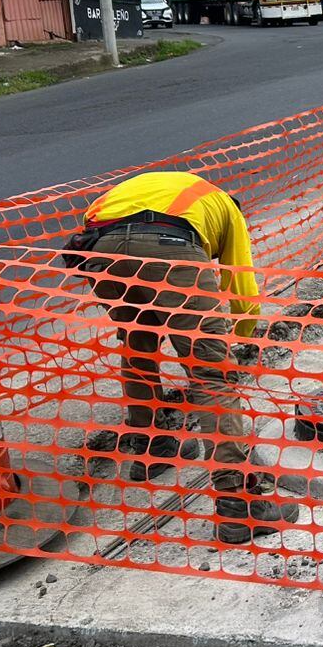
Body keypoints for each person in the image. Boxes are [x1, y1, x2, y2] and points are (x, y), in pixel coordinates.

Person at [73, 171, 298, 546]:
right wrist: (237, 344)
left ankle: (152, 450)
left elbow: (93, 218)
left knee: (137, 345)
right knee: (209, 375)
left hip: (101, 246)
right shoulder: (227, 210)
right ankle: (238, 505)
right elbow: (241, 286)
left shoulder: (165, 188)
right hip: (169, 245)